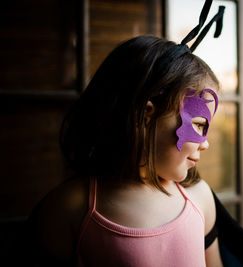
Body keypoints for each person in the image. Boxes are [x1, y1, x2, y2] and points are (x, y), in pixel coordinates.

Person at [29, 34, 223, 267]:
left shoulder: (200, 198)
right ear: (146, 115)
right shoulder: (70, 208)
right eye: (199, 125)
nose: (206, 143)